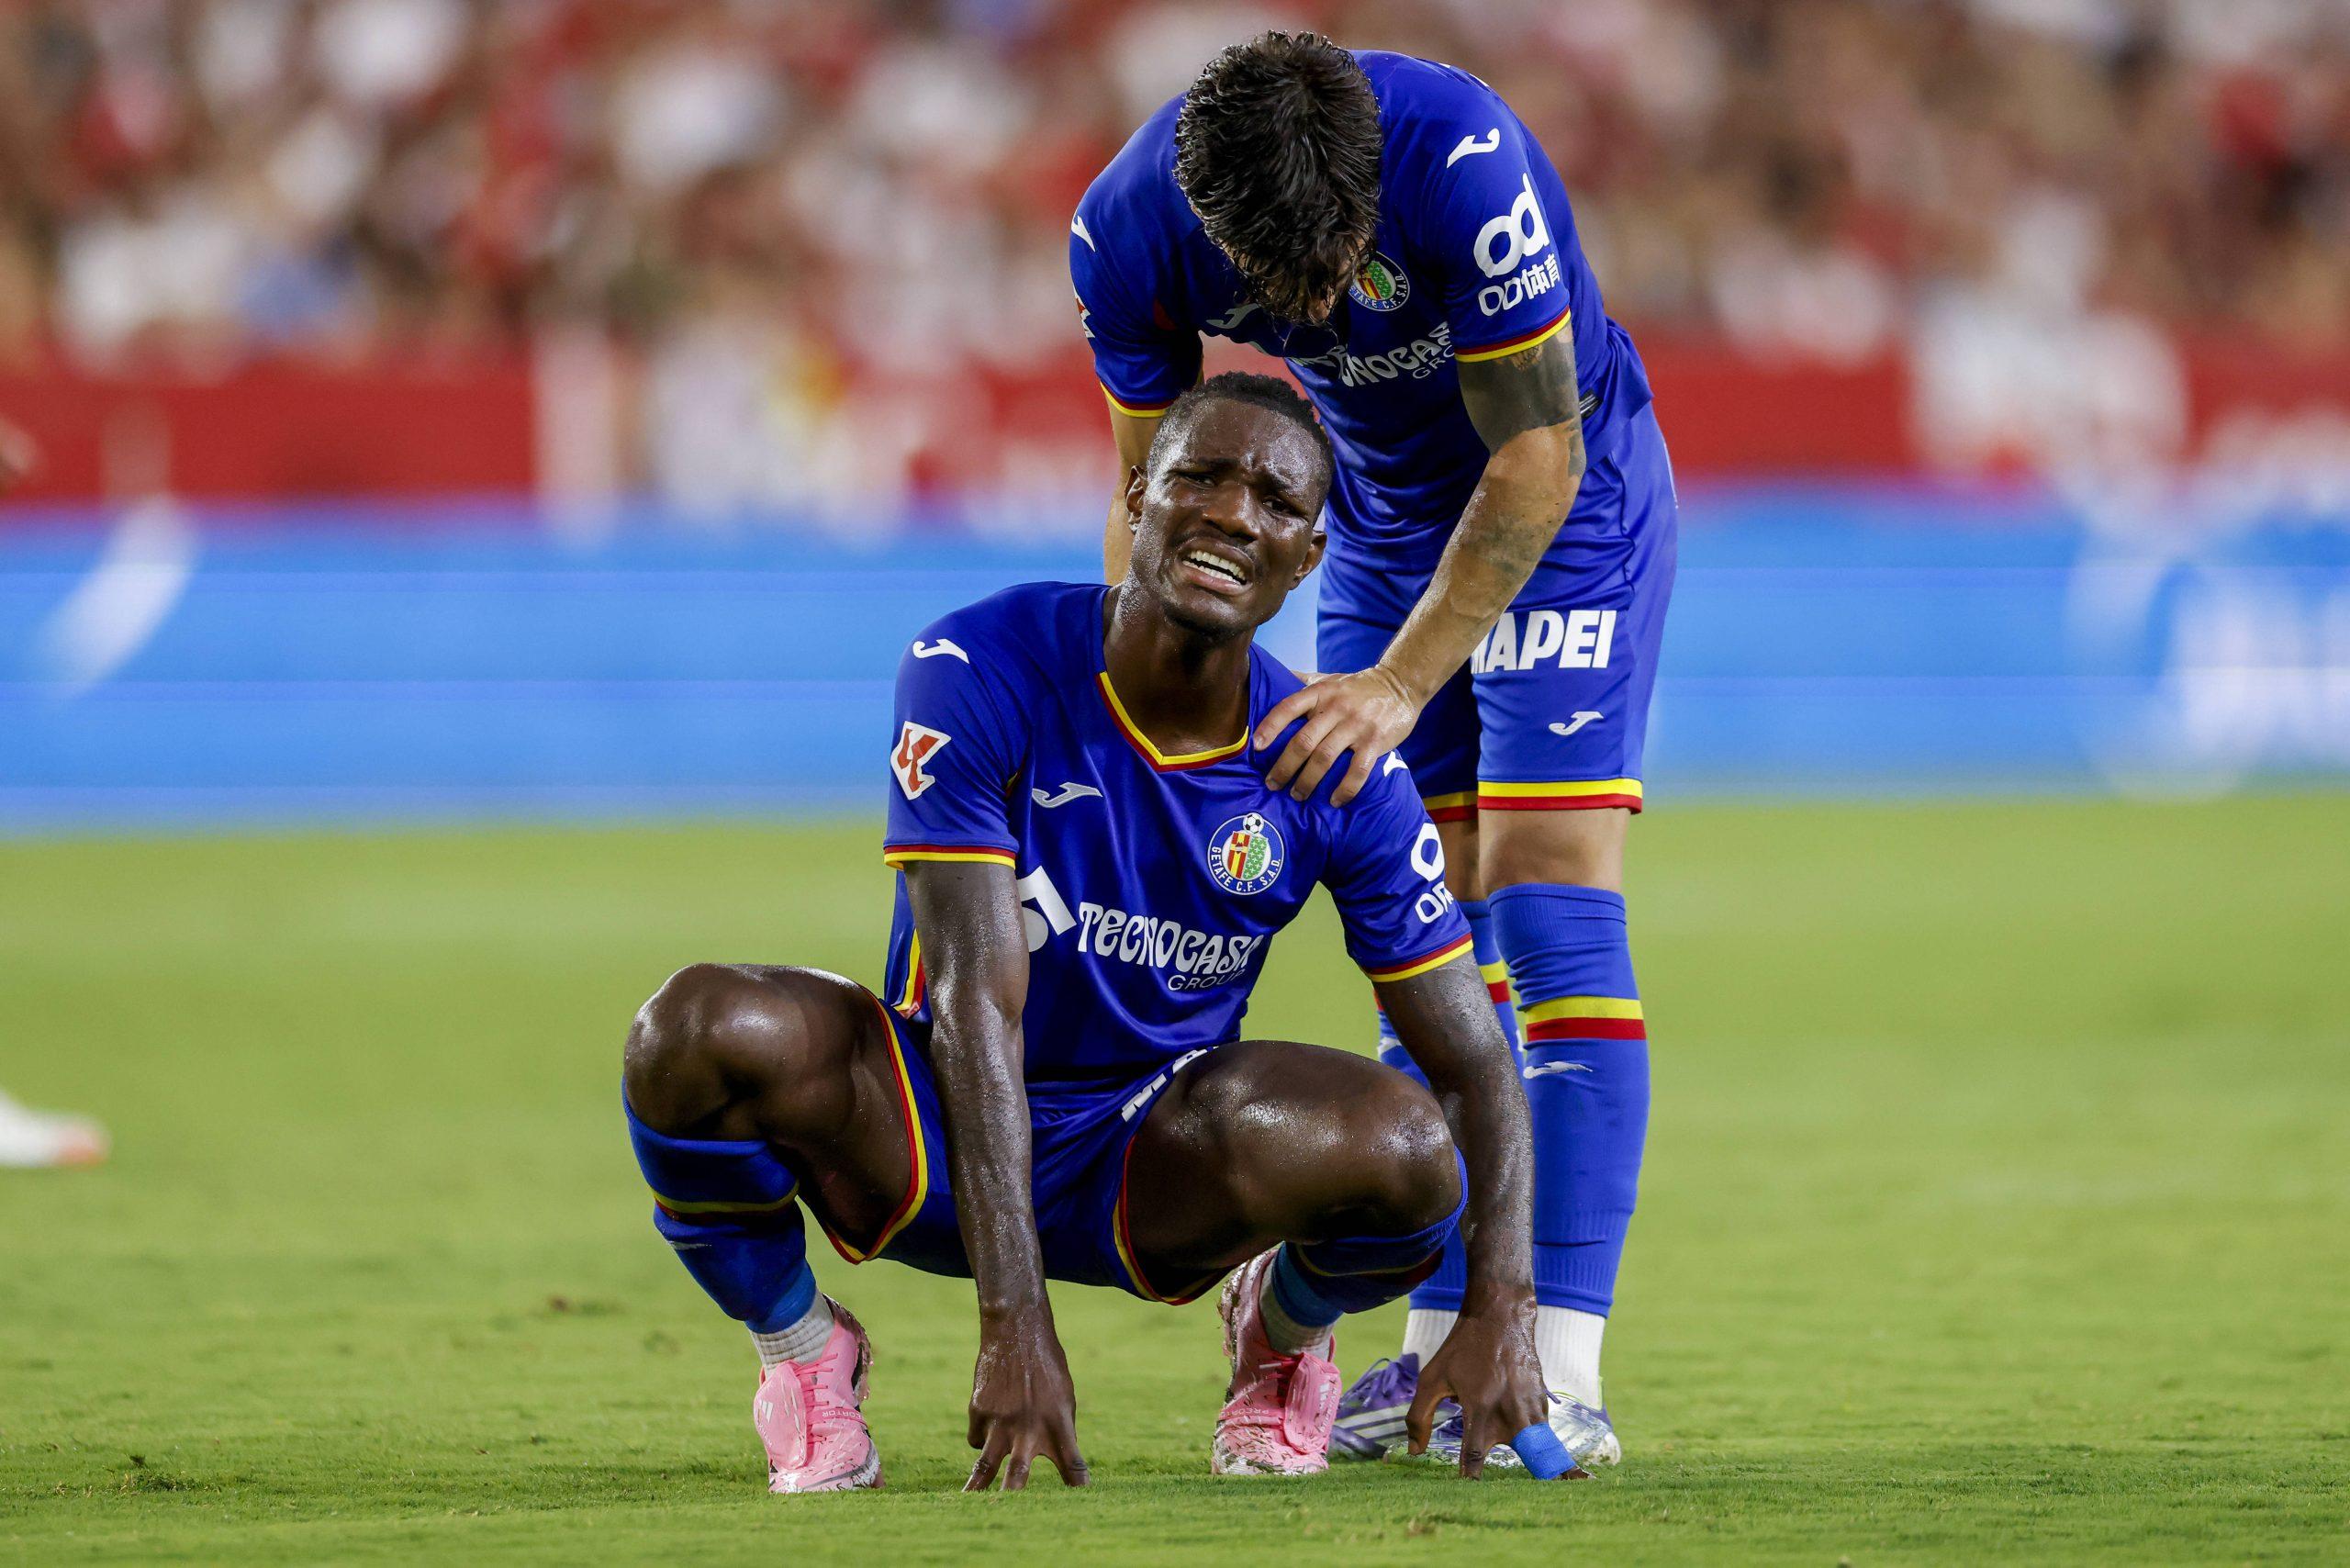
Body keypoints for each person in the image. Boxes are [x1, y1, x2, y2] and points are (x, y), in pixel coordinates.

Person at [621, 374, 1557, 1492]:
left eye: (1271, 497)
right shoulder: (981, 665)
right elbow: (975, 998)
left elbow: (1472, 1059)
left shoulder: (1330, 762)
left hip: (1152, 1157)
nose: (1229, 513)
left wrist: (1502, 1306)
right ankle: (804, 1354)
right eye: (1199, 477)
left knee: (1406, 1153)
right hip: (932, 1123)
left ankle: (1280, 1337)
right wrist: (1014, 1323)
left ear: (1308, 554)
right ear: (1136, 495)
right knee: (691, 1028)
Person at [1071, 32, 1677, 1467]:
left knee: (1545, 899)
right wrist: (1139, 728)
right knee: (1419, 928)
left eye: (1348, 260)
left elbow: (1539, 459)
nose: (1333, 305)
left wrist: (1400, 690)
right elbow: (1148, 502)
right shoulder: (1125, 233)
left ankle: (1559, 1368)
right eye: (1298, 291)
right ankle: (1427, 1355)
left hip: (1566, 510)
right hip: (1379, 530)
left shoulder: (1465, 159)